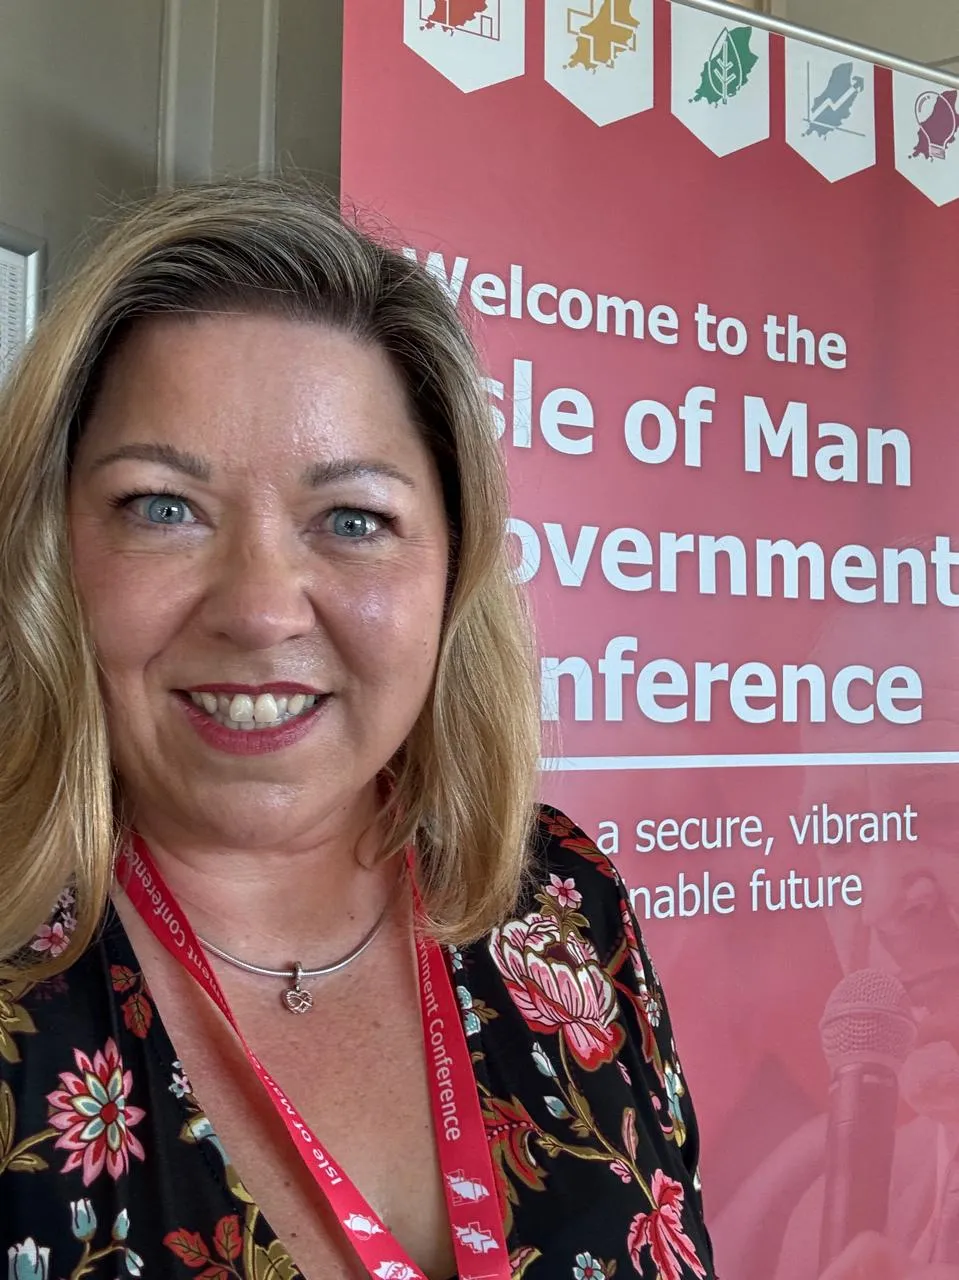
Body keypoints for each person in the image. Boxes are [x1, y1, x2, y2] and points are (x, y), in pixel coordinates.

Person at [0, 181, 715, 1280]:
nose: (259, 606)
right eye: (161, 505)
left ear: (450, 570)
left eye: (352, 518)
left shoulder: (562, 896)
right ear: (54, 551)